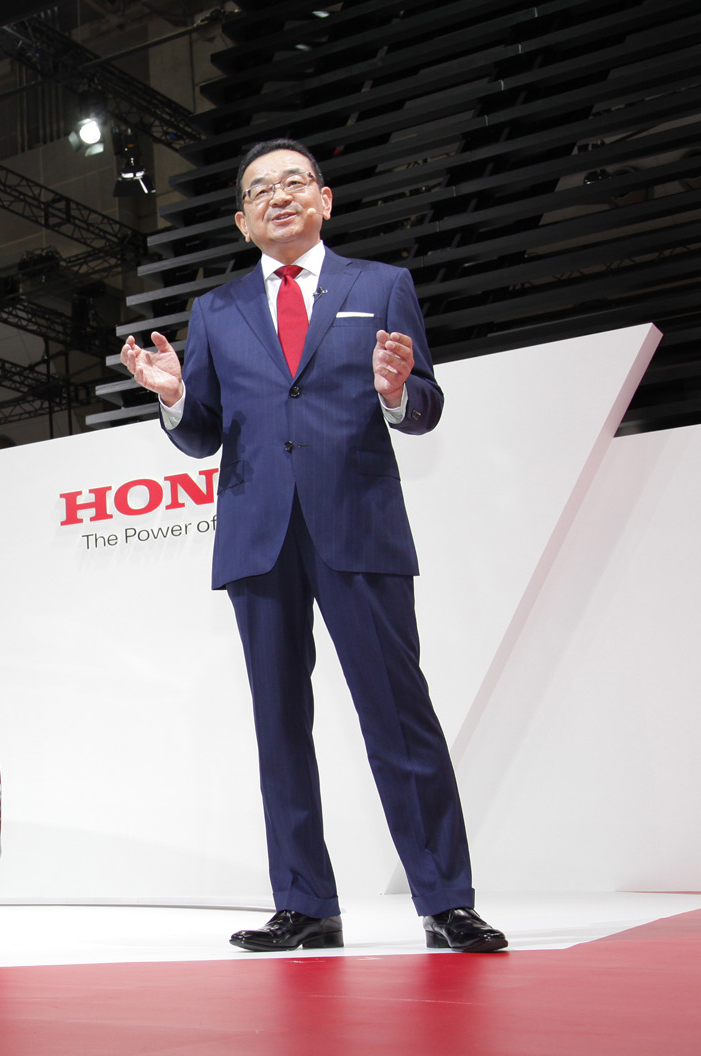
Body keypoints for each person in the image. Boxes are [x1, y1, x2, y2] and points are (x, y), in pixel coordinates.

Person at [120, 138, 506, 954]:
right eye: (260, 189)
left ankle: (446, 902)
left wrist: (396, 391)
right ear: (242, 220)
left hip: (358, 526)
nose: (279, 196)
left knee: (399, 716)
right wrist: (174, 395)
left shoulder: (382, 286)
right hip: (259, 538)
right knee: (280, 725)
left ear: (324, 200)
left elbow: (425, 405)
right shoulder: (216, 310)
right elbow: (202, 434)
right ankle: (304, 904)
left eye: (295, 182)